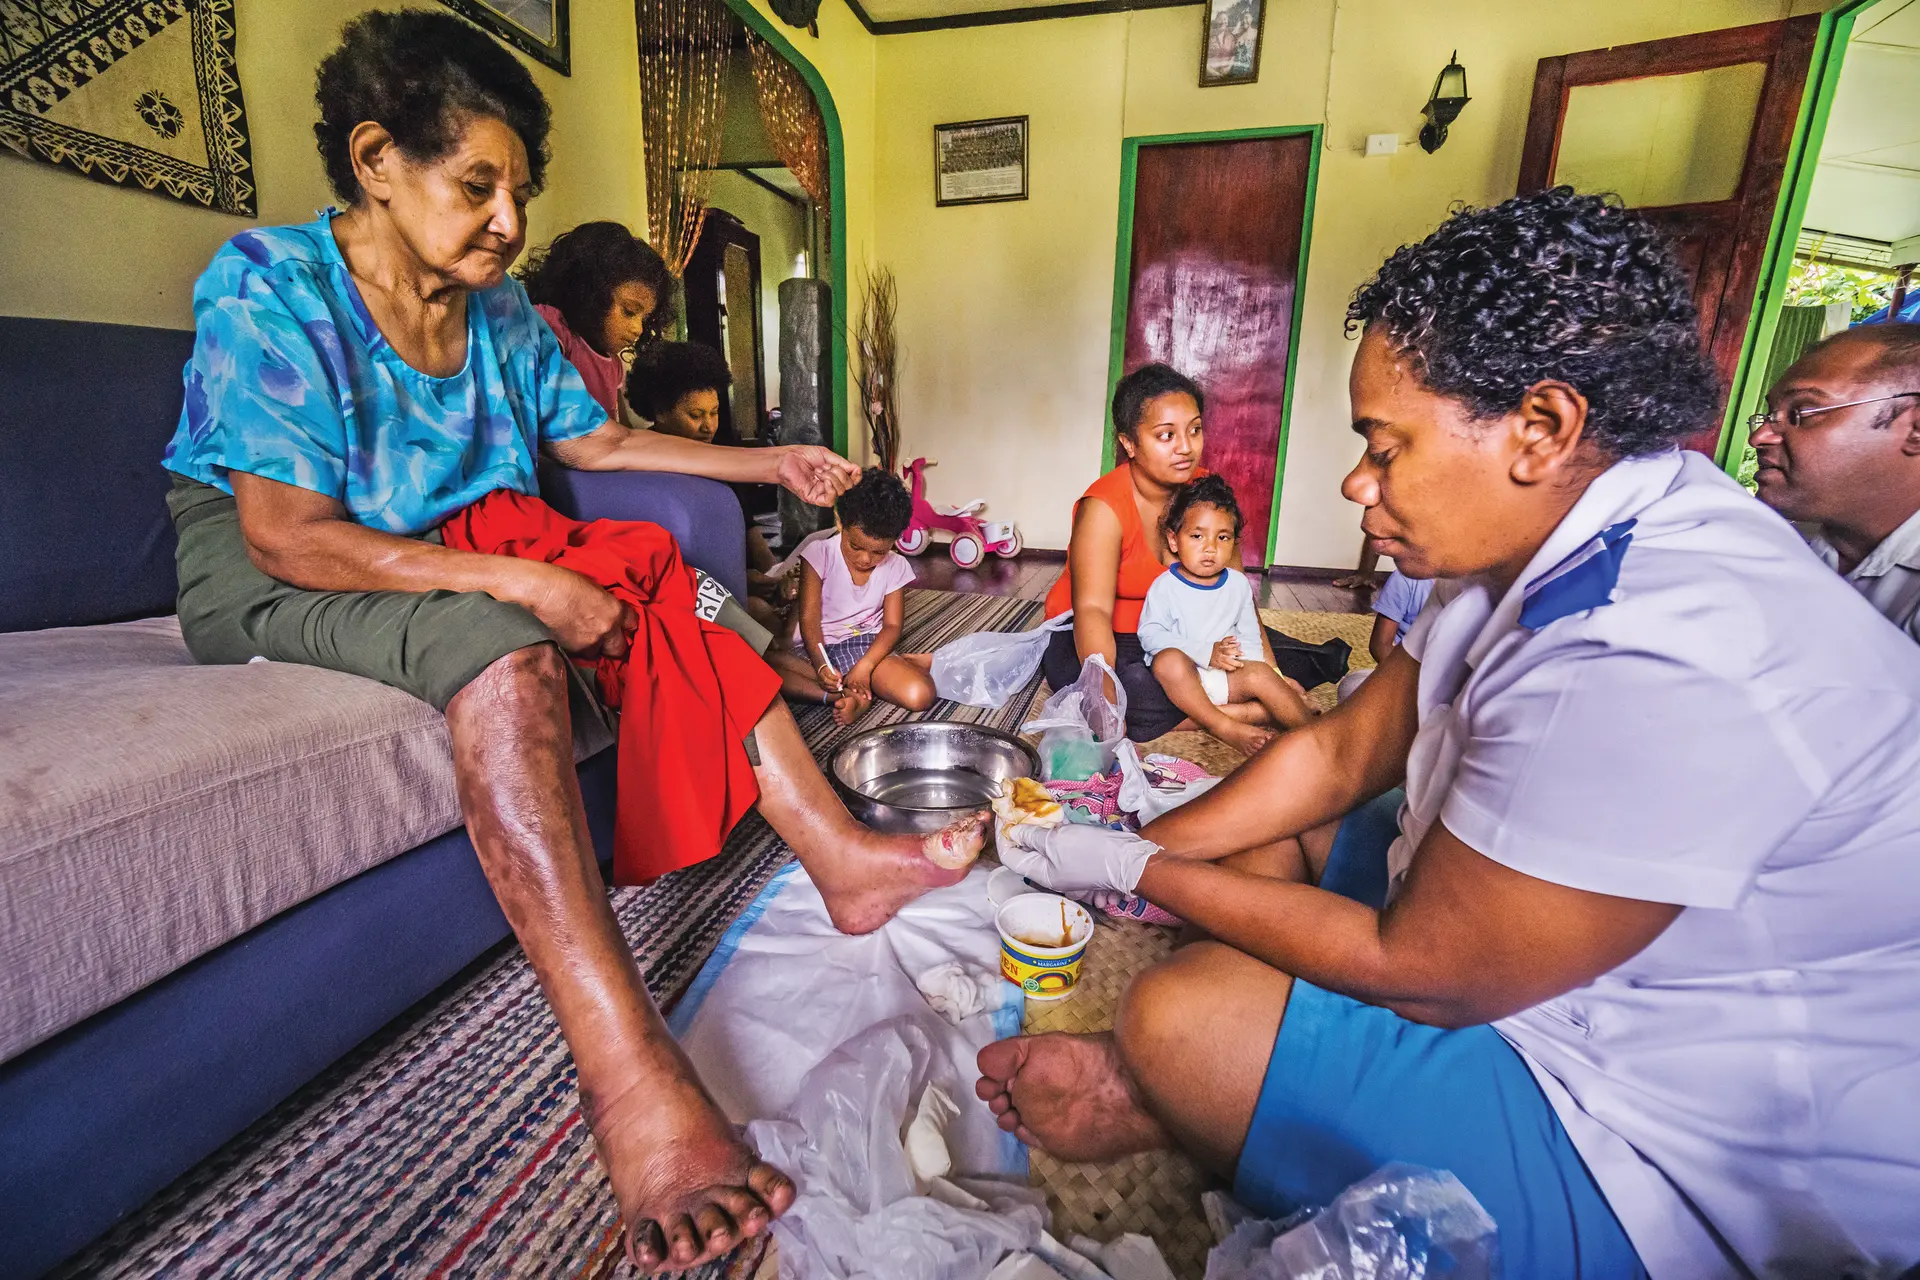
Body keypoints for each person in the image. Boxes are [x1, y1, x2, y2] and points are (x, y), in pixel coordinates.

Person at [158, 13, 984, 1273]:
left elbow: (596, 448)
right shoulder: (271, 283)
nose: (506, 222)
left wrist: (768, 459)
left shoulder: (503, 318)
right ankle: (629, 1075)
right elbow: (289, 532)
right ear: (376, 158)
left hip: (449, 531)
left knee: (685, 587)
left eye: (518, 194)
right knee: (505, 642)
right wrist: (523, 585)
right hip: (285, 552)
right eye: (476, 184)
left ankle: (842, 858)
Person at [979, 190, 1920, 1278]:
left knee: (1177, 1013)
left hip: (1673, 1135)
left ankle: (1172, 1084)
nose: (1355, 480)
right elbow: (1340, 752)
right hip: (1569, 965)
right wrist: (1160, 824)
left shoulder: (1662, 637)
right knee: (1254, 843)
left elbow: (1424, 970)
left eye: (1386, 444)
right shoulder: (1549, 540)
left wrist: (1135, 862)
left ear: (1542, 426)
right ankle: (1218, 1096)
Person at [1041, 364, 1347, 742]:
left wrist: (1273, 674)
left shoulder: (1205, 493)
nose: (1186, 447)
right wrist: (1105, 697)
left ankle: (1238, 701)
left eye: (1195, 430)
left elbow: (1234, 591)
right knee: (1122, 691)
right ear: (1129, 443)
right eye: (1166, 435)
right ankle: (1247, 712)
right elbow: (1093, 611)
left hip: (1189, 629)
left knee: (1285, 661)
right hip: (1102, 634)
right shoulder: (1103, 508)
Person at [1750, 321, 1920, 641]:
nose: (1759, 436)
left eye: (1802, 412)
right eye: (1769, 415)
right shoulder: (1777, 541)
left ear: (1915, 430)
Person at [1137, 475, 1313, 754]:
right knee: (1166, 662)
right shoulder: (1165, 586)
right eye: (1197, 536)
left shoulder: (1238, 584)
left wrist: (1266, 675)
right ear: (1173, 540)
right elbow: (1150, 635)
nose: (1210, 548)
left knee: (1263, 675)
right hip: (1183, 683)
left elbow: (1250, 639)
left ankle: (1317, 733)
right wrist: (1207, 652)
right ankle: (1226, 724)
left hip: (1226, 677)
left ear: (1234, 542)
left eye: (1223, 537)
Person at [630, 341, 791, 634]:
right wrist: (741, 581)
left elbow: (748, 526)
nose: (709, 427)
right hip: (676, 594)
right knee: (758, 615)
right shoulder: (640, 468)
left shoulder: (717, 457)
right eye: (695, 415)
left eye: (714, 412)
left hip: (732, 582)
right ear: (661, 411)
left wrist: (774, 574)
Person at [792, 468, 935, 724]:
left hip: (863, 647)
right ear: (840, 523)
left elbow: (892, 626)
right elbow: (809, 620)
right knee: (762, 663)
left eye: (879, 552)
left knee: (920, 695)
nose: (865, 559)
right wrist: (822, 665)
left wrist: (865, 667)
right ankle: (849, 695)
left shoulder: (897, 566)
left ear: (895, 541)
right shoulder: (818, 553)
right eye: (855, 546)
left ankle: (849, 691)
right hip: (813, 649)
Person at [519, 220, 673, 422]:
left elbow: (619, 432)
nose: (638, 329)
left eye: (645, 318)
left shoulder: (614, 365)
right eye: (629, 312)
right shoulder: (553, 327)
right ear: (590, 293)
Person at [1334, 566, 1436, 702]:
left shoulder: (1471, 586)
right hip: (1406, 676)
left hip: (1452, 685)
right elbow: (1380, 645)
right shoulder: (1407, 577)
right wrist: (1413, 681)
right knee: (1351, 687)